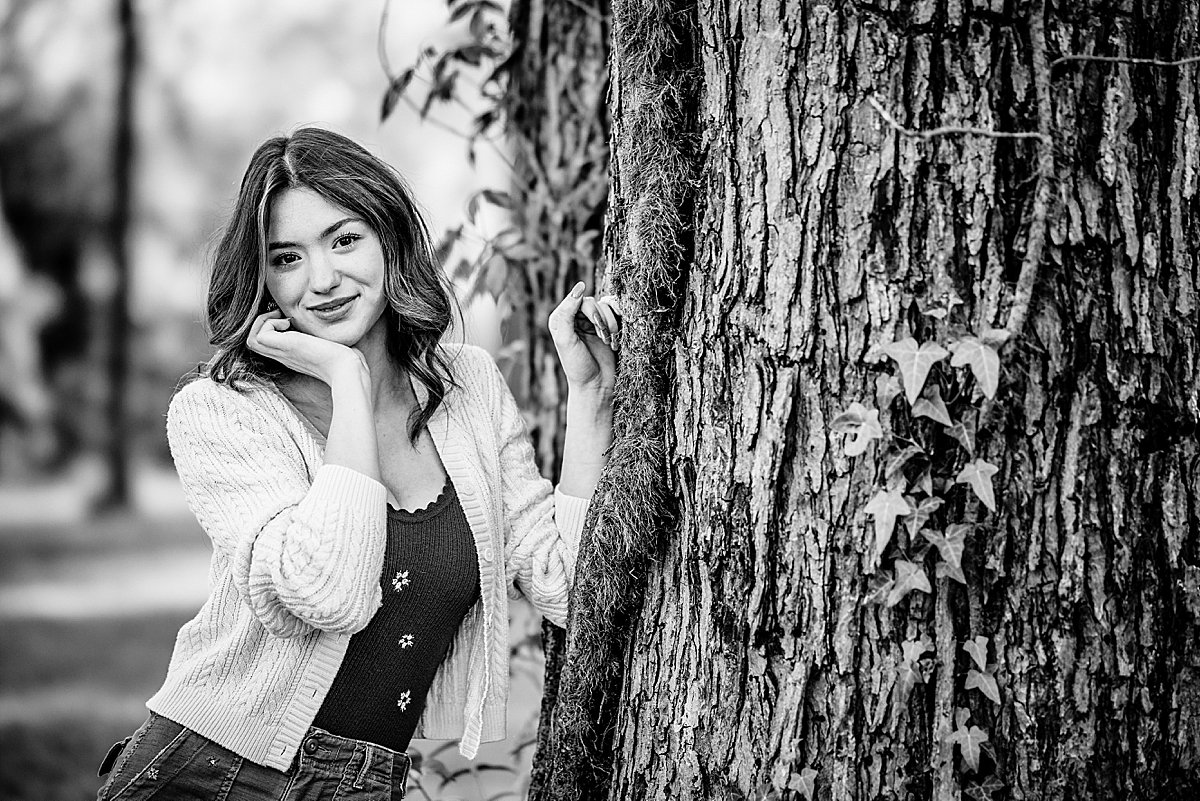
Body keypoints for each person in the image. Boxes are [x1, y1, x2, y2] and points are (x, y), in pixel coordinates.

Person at [93, 127, 621, 801]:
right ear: (264, 279)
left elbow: (569, 589)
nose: (322, 279)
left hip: (363, 782)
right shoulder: (222, 411)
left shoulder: (469, 386)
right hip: (212, 771)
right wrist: (346, 380)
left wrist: (591, 397)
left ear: (388, 237)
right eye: (286, 258)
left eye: (344, 239)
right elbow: (327, 594)